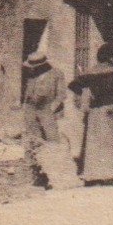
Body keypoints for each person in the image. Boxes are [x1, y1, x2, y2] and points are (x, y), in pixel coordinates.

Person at [68, 45, 113, 185]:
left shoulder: (91, 72)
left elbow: (74, 85)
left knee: (95, 141)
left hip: (95, 110)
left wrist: (81, 96)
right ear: (109, 57)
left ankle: (94, 174)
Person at [21, 49, 78, 190]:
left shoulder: (56, 74)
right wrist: (26, 108)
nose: (33, 69)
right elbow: (27, 94)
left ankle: (56, 177)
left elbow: (61, 95)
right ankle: (37, 176)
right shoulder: (31, 75)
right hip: (31, 111)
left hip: (48, 111)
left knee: (52, 143)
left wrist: (52, 109)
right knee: (34, 142)